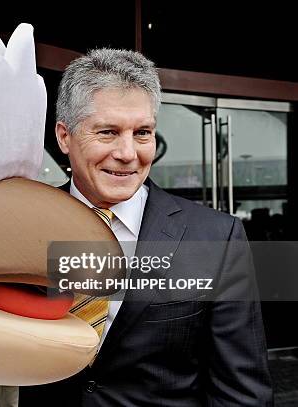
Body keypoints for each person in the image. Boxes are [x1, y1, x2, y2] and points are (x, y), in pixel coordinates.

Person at [19, 49, 272, 406]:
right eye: (108, 132)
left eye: (142, 133)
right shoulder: (19, 226)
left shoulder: (215, 237)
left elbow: (241, 394)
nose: (128, 152)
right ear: (64, 137)